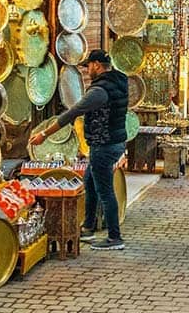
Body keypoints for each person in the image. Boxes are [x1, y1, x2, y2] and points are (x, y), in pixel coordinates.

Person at [29, 49, 128, 250]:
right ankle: (88, 227)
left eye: (89, 66)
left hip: (104, 145)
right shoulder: (118, 82)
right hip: (112, 142)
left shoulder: (99, 91)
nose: (87, 70)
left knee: (105, 191)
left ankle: (115, 238)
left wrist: (44, 135)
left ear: (97, 65)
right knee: (89, 183)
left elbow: (71, 114)